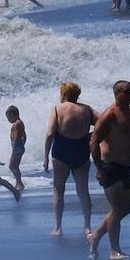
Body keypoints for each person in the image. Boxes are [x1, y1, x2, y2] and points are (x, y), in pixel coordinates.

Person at [88, 81, 130, 260]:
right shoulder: (109, 115)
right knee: (117, 208)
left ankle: (96, 235)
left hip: (125, 166)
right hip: (109, 166)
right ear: (117, 94)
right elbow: (94, 142)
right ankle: (114, 250)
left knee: (126, 208)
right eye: (127, 92)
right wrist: (99, 168)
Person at [44, 82, 96, 236]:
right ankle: (87, 227)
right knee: (83, 190)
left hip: (62, 151)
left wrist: (45, 156)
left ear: (64, 94)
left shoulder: (57, 109)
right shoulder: (87, 109)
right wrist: (91, 136)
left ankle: (58, 227)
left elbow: (50, 134)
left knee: (58, 189)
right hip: (81, 150)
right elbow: (103, 122)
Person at [6, 105, 26, 191]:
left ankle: (19, 183)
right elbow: (25, 136)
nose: (8, 120)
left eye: (8, 117)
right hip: (19, 146)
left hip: (17, 147)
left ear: (12, 114)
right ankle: (19, 182)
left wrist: (15, 146)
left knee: (12, 166)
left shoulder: (17, 123)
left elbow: (17, 136)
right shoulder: (20, 122)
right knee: (15, 166)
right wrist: (22, 144)